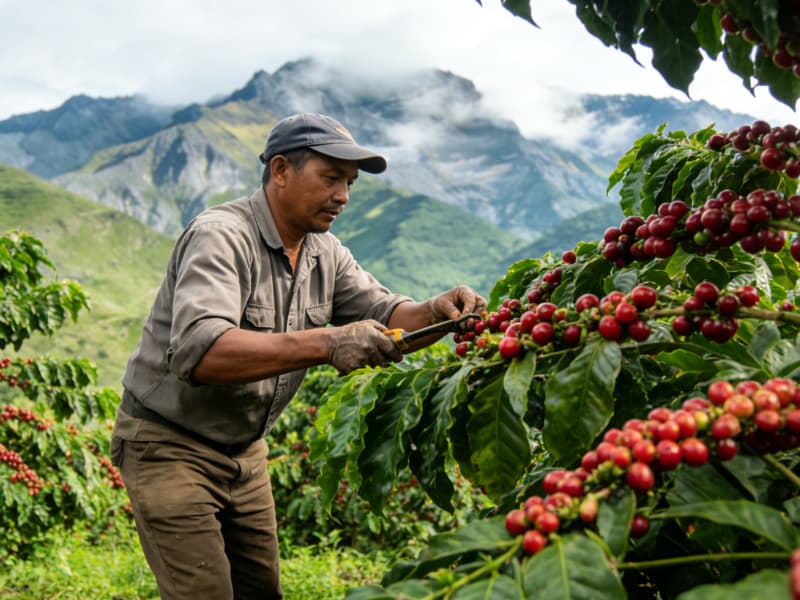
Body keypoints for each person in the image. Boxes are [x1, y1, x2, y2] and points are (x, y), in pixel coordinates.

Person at [110, 112, 486, 599]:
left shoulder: (324, 251)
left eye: (349, 183)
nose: (343, 196)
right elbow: (201, 352)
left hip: (246, 450)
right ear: (282, 170)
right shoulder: (221, 235)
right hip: (168, 444)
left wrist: (436, 310)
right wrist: (328, 343)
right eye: (331, 178)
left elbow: (389, 314)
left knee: (261, 591)